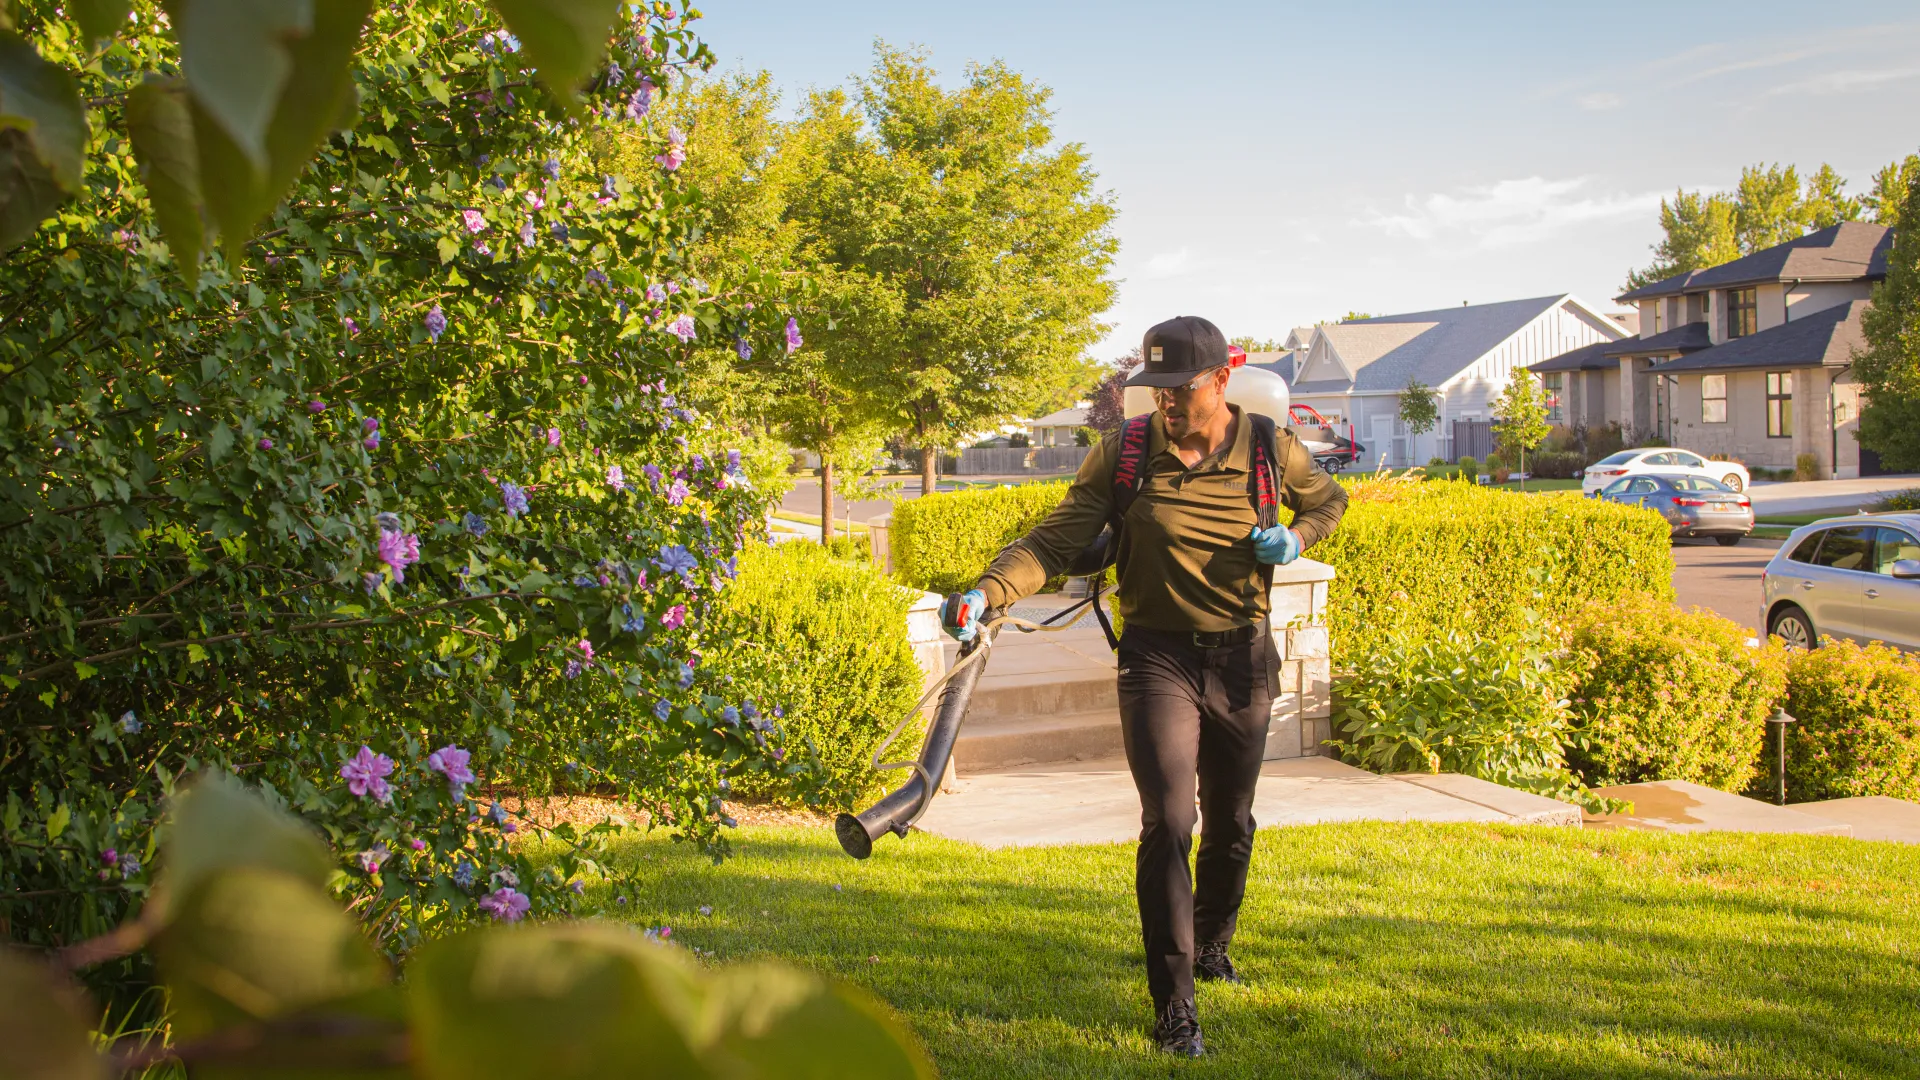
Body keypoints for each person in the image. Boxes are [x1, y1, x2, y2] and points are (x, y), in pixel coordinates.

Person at [939, 315, 1347, 1057]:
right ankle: (1175, 1007)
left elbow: (1328, 502)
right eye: (1153, 386)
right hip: (1156, 658)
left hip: (1241, 657)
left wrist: (1297, 538)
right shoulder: (1124, 453)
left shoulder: (1267, 446)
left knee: (1230, 822)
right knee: (1169, 820)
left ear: (1222, 379)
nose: (1164, 401)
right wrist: (988, 591)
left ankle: (1214, 944)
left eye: (1179, 386)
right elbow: (1053, 541)